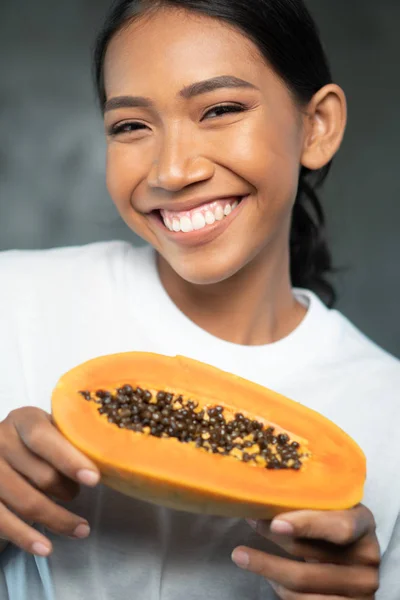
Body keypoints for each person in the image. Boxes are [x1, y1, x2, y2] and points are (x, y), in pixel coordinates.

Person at [0, 0, 398, 598]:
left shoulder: (388, 409)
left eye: (220, 109)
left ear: (317, 126)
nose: (172, 170)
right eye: (130, 125)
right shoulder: (13, 302)